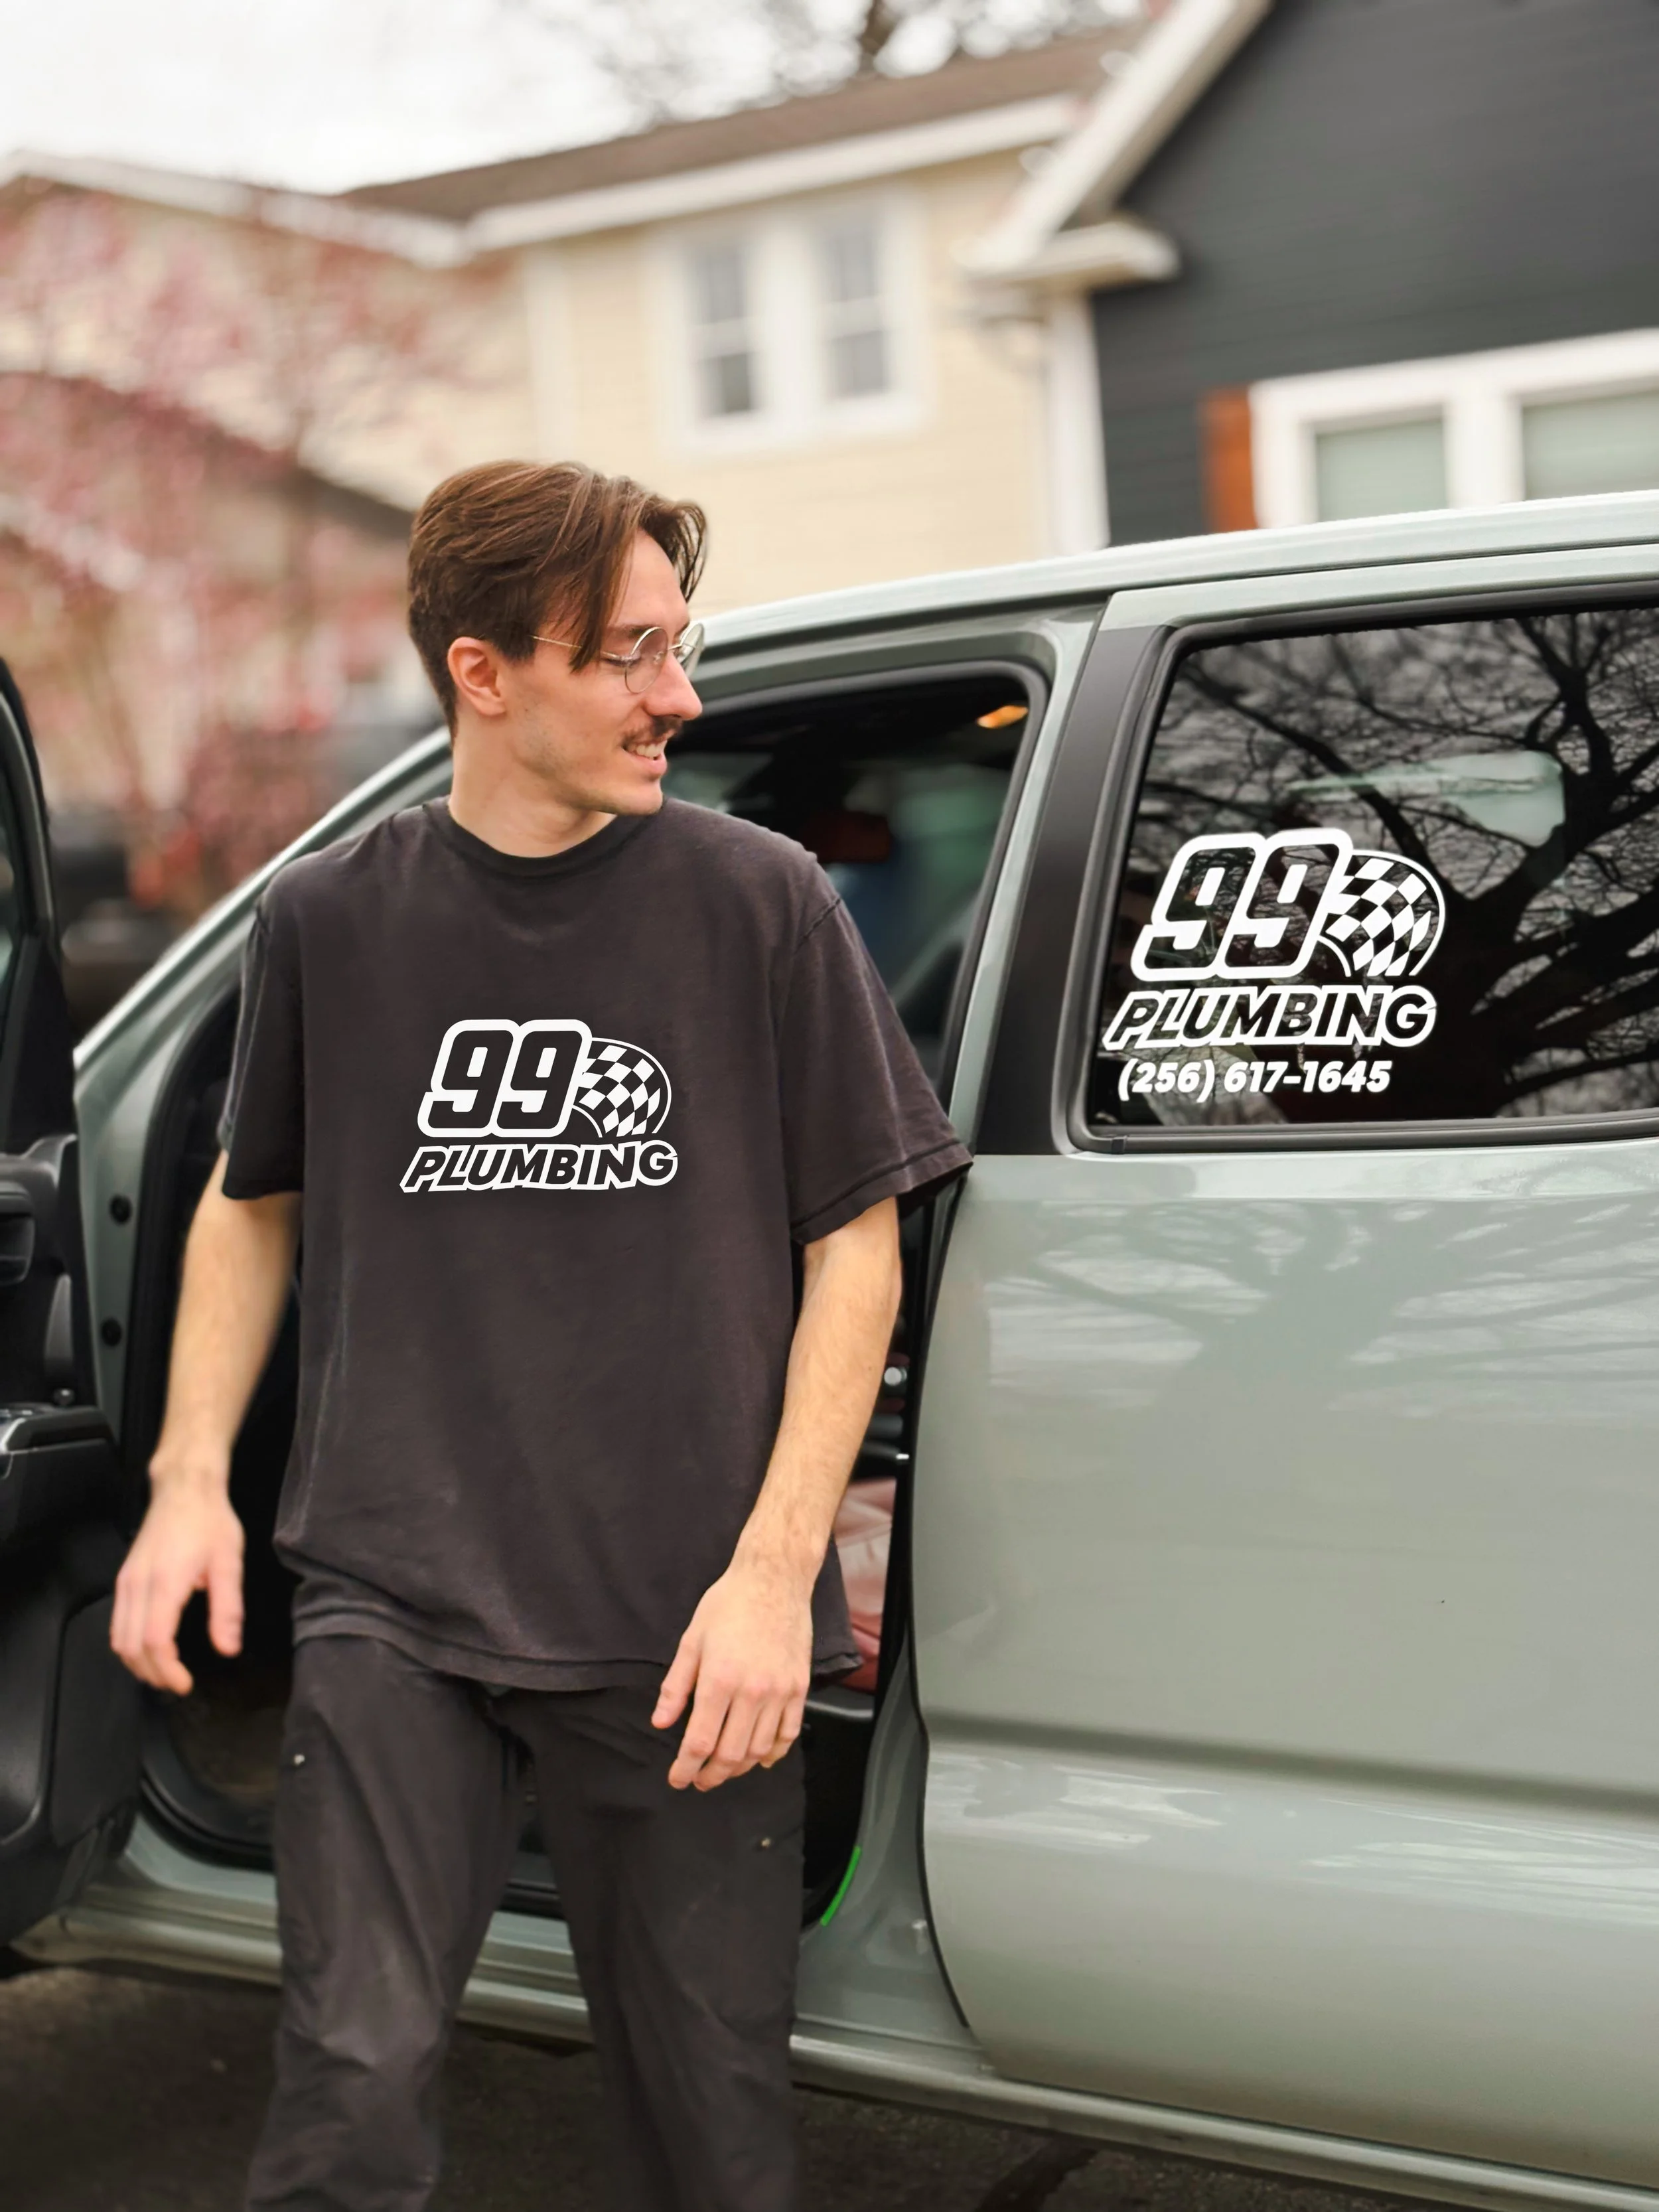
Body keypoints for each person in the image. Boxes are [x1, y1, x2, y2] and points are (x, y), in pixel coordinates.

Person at [109, 459, 972, 2212]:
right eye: (629, 654)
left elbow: (857, 1251)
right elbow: (250, 1202)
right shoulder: (330, 918)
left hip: (682, 1620)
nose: (680, 696)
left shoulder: (760, 901)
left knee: (709, 2134)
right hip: (390, 1596)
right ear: (483, 673)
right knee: (347, 2097)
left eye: (679, 644)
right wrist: (188, 1481)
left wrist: (772, 1575)